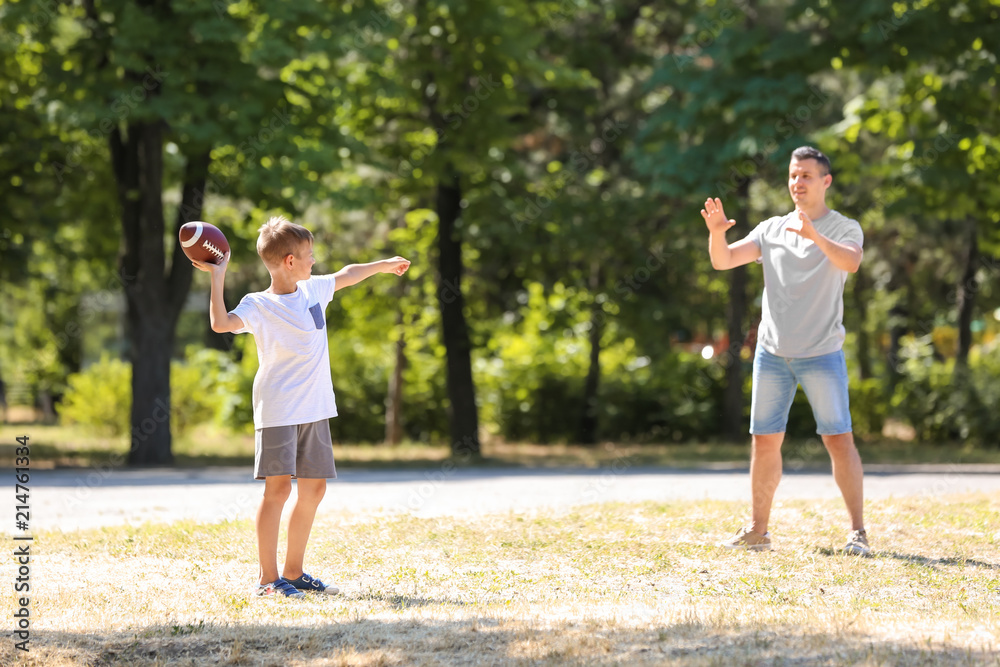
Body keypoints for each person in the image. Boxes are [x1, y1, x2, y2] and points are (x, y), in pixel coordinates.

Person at [193, 215, 411, 597]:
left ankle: (293, 573)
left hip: (315, 408)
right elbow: (220, 324)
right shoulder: (258, 304)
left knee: (313, 489)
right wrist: (217, 276)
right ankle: (267, 579)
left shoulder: (314, 291)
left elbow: (349, 273)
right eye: (309, 255)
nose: (314, 261)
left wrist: (384, 264)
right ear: (290, 262)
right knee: (277, 491)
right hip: (279, 411)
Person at [702, 146, 869, 556]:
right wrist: (717, 233)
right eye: (794, 175)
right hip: (772, 354)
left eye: (807, 176)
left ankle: (857, 533)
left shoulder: (845, 228)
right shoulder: (771, 229)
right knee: (764, 441)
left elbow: (851, 263)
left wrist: (816, 235)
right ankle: (758, 531)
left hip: (822, 353)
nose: (798, 183)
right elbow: (724, 262)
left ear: (825, 181)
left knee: (838, 440)